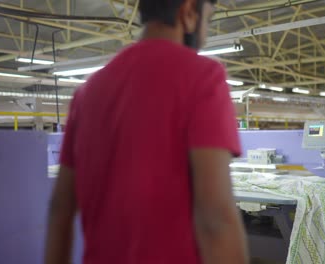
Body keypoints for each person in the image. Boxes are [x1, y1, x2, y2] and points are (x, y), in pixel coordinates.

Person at [44, 0, 249, 263]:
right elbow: (215, 220)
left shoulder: (88, 92)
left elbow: (59, 210)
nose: (206, 35)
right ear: (188, 12)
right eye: (207, 20)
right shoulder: (202, 77)